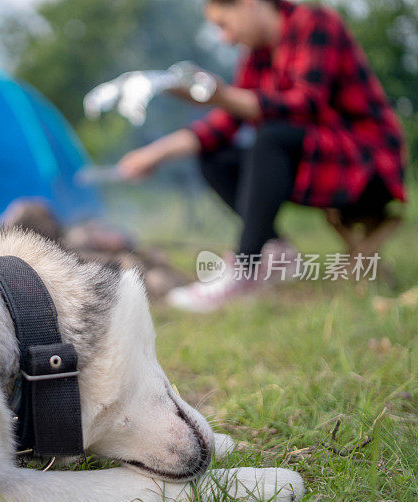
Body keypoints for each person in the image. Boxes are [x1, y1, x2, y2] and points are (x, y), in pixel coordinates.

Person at [117, 0, 406, 312]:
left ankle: (247, 265)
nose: (225, 38)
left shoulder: (316, 22)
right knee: (217, 155)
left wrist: (223, 96)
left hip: (369, 166)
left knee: (271, 137)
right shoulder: (258, 55)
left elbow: (305, 105)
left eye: (223, 24)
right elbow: (225, 123)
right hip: (319, 165)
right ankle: (275, 252)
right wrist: (154, 154)